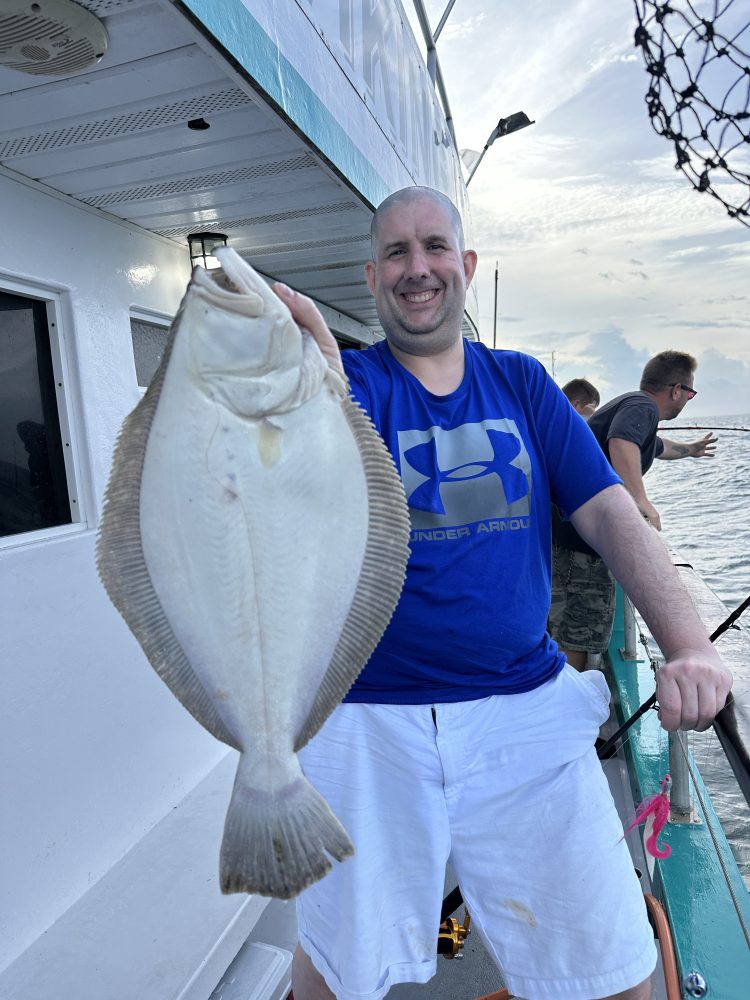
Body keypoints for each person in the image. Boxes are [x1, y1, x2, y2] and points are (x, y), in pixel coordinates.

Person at [272, 187, 731, 1000]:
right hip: (368, 713)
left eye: (435, 247)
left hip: (524, 704)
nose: (419, 269)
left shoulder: (521, 383)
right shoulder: (349, 384)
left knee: (621, 967)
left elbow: (611, 516)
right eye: (398, 254)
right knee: (335, 972)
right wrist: (300, 362)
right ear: (372, 276)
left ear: (467, 267)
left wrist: (690, 642)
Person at [549, 353, 718, 670]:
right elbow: (622, 441)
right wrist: (638, 501)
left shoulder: (632, 408)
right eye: (691, 393)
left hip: (568, 534)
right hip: (580, 543)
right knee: (575, 634)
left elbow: (655, 445)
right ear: (676, 389)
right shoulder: (643, 407)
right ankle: (563, 708)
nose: (689, 399)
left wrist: (690, 450)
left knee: (567, 630)